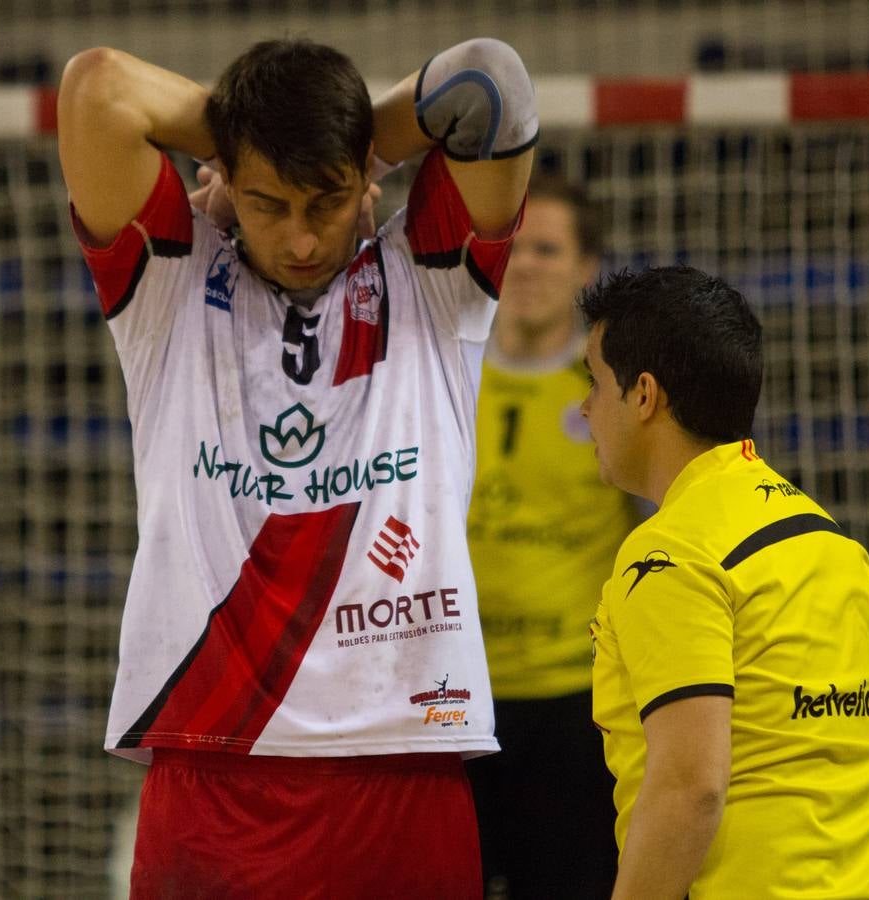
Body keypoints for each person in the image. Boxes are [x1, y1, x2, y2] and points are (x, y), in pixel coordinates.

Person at [57, 35, 536, 899]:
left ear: (363, 184)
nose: (303, 236)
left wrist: (353, 141)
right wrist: (245, 139)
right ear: (230, 188)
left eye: (327, 198)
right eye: (268, 202)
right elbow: (98, 89)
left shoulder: (432, 284)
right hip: (213, 764)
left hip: (404, 758)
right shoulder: (168, 288)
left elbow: (489, 80)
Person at [579, 267, 869, 899]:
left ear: (644, 395)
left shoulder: (671, 553)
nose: (585, 408)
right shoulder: (827, 536)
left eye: (594, 383)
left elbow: (689, 787)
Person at [464, 172, 634, 900]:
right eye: (514, 246)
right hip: (450, 700)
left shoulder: (620, 393)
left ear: (585, 269)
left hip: (576, 704)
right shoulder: (442, 372)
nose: (527, 263)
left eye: (548, 248)